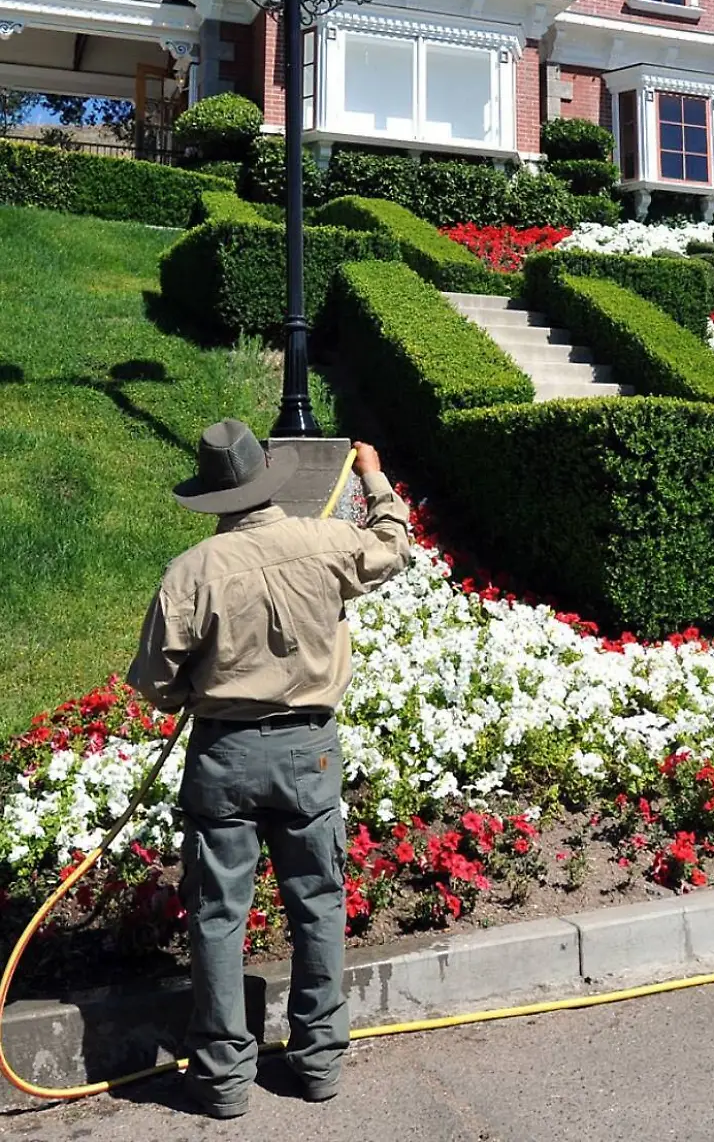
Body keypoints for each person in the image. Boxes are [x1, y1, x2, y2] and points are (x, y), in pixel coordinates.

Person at [128, 419, 411, 1120]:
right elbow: (393, 545)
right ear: (267, 479)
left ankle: (223, 1081)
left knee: (220, 916)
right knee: (317, 901)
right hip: (308, 750)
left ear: (213, 496)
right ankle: (317, 1064)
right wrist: (373, 475)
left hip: (223, 753)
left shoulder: (191, 572)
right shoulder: (325, 544)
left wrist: (196, 687)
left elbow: (155, 683)